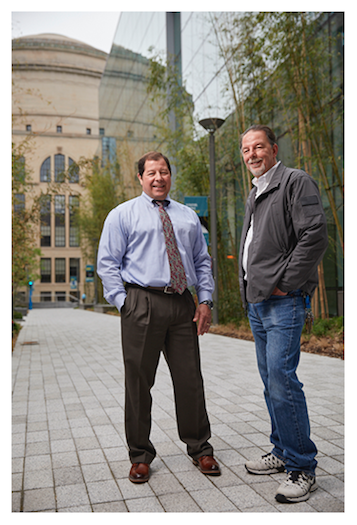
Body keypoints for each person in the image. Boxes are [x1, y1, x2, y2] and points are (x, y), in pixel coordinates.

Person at [97, 151, 220, 483]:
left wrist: (204, 300)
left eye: (164, 172)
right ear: (140, 178)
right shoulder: (122, 215)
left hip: (182, 303)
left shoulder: (187, 216)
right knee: (139, 382)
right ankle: (139, 455)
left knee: (190, 379)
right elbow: (107, 263)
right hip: (141, 301)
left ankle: (200, 448)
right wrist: (124, 302)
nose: (158, 178)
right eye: (151, 172)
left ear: (170, 175)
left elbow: (202, 260)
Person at [238, 125, 328, 503]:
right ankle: (281, 449)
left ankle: (302, 467)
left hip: (282, 301)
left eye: (259, 147)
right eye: (246, 150)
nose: (252, 154)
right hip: (259, 301)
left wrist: (286, 283)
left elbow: (315, 235)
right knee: (269, 379)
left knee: (282, 379)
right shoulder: (256, 191)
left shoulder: (295, 181)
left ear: (274, 149)